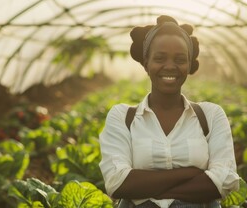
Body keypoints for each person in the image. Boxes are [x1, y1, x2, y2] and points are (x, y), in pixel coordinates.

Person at [99, 15, 239, 208]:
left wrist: (143, 187)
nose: (170, 66)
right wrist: (191, 173)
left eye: (180, 59)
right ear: (146, 63)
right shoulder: (122, 117)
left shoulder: (211, 115)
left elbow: (223, 182)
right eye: (160, 58)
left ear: (189, 65)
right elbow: (118, 183)